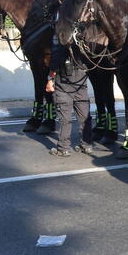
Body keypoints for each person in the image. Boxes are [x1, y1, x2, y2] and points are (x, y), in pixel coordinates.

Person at [45, 16, 93, 157]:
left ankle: (63, 148)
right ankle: (87, 145)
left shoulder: (60, 37)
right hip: (81, 81)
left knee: (65, 117)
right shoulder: (83, 36)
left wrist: (49, 79)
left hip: (64, 82)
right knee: (84, 115)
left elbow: (56, 59)